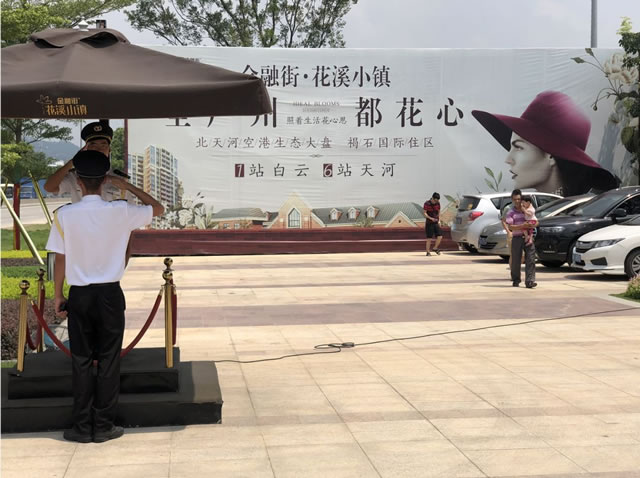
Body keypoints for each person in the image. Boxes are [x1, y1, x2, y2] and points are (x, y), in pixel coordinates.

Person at [46, 150, 164, 443]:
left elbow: (60, 258)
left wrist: (58, 294)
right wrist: (127, 186)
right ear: (104, 180)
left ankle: (81, 427)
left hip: (79, 295)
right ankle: (104, 425)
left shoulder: (65, 215)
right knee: (109, 360)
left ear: (78, 181)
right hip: (110, 294)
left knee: (81, 360)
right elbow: (158, 208)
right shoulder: (121, 210)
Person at [472, 91, 618, 196]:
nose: (508, 159)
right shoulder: (538, 208)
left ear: (551, 156)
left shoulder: (571, 212)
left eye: (518, 147)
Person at [44, 121, 131, 202]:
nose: (99, 149)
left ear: (109, 150)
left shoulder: (119, 179)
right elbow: (49, 188)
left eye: (103, 145)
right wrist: (74, 160)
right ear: (86, 149)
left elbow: (130, 207)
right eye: (93, 145)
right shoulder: (75, 176)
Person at [504, 189, 537, 288]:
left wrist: (533, 225)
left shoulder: (528, 209)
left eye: (518, 199)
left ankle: (530, 281)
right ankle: (516, 279)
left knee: (531, 259)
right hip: (517, 238)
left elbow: (536, 220)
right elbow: (510, 226)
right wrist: (522, 226)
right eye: (515, 199)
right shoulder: (511, 212)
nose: (517, 201)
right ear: (512, 199)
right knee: (516, 260)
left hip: (528, 238)